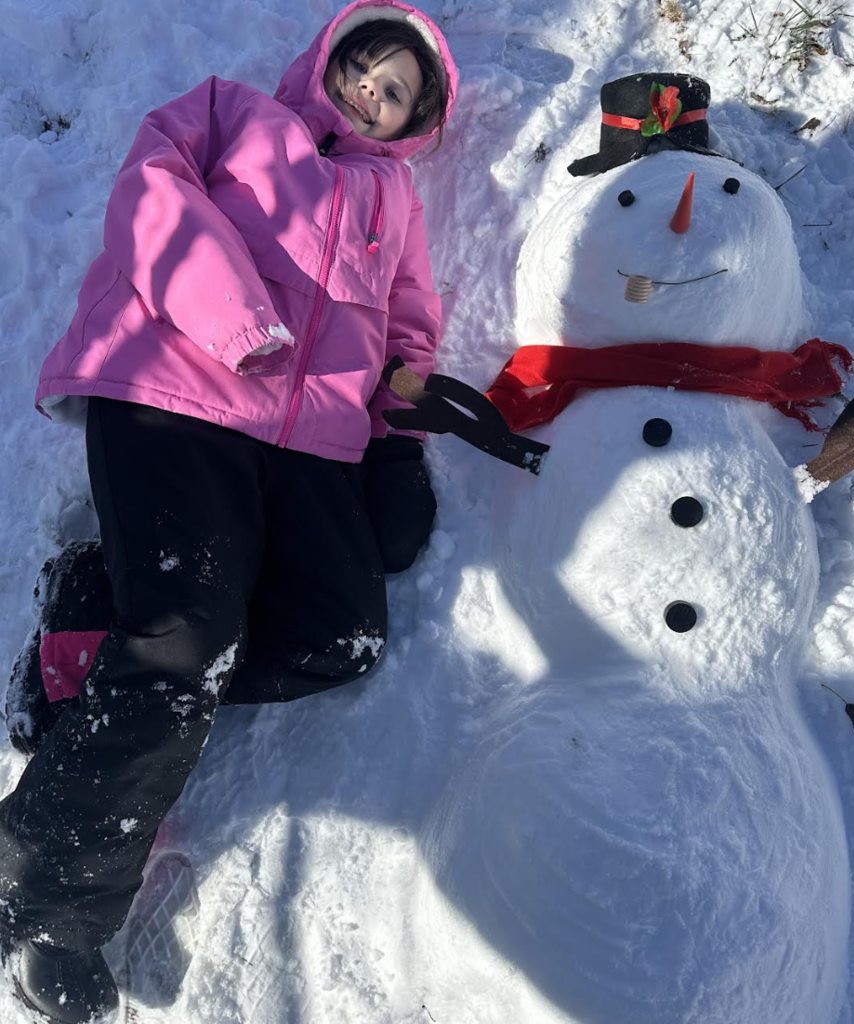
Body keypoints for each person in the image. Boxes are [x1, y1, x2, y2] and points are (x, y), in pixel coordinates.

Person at [0, 1, 457, 1021]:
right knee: (187, 633)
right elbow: (151, 199)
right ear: (329, 58)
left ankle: (94, 618)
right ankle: (44, 904)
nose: (373, 97)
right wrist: (235, 319)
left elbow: (409, 325)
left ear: (410, 126)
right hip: (175, 385)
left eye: (396, 96)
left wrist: (399, 435)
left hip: (307, 446)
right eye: (366, 70)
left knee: (341, 637)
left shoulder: (395, 202)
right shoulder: (229, 115)